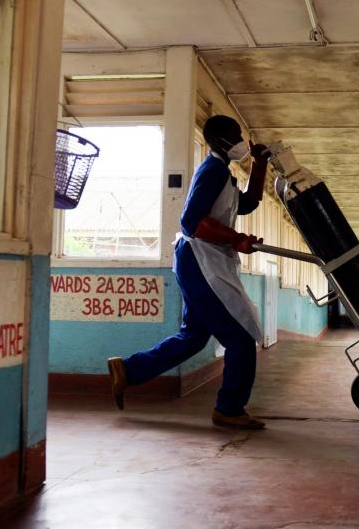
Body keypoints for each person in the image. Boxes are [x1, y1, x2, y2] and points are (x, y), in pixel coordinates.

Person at [107, 115, 270, 430]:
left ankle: (128, 371)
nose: (240, 142)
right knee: (241, 337)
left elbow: (247, 204)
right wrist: (235, 239)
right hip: (199, 261)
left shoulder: (223, 173)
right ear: (221, 140)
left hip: (200, 260)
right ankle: (230, 409)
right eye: (235, 135)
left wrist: (260, 165)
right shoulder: (211, 171)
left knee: (194, 336)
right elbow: (190, 222)